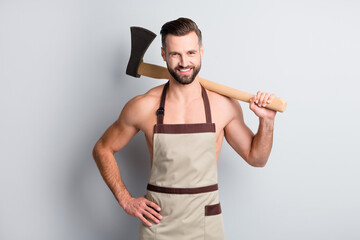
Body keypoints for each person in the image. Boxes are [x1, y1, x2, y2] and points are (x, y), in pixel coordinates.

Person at [92, 17, 277, 239]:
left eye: (190, 53)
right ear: (163, 55)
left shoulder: (224, 106)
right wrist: (125, 199)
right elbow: (102, 148)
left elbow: (257, 158)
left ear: (201, 51)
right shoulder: (144, 106)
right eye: (175, 54)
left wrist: (266, 121)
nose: (184, 62)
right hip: (157, 224)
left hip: (206, 225)